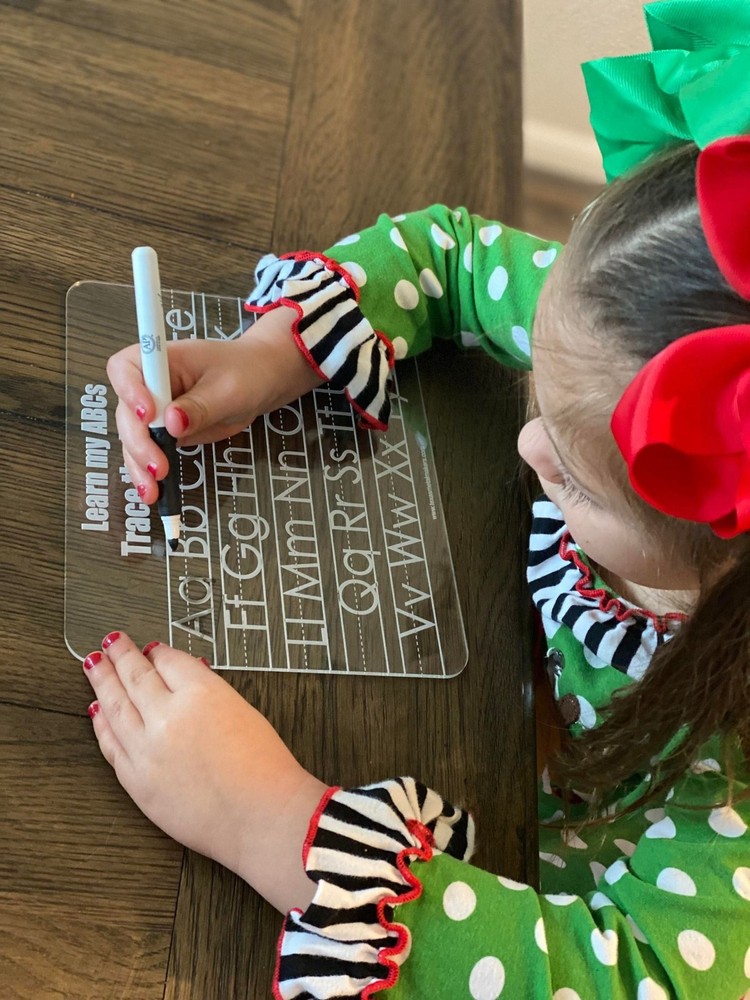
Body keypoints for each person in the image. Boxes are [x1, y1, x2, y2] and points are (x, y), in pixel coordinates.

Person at [84, 3, 750, 996]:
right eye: (540, 401)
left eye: (570, 468)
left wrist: (274, 823)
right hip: (498, 692)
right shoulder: (630, 323)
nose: (529, 446)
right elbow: (450, 253)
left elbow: (624, 978)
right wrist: (272, 355)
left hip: (548, 859)